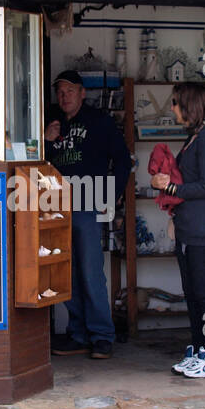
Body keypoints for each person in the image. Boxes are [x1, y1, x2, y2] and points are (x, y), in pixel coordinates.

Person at [45, 69, 132, 360]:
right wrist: (46, 140)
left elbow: (122, 158)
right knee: (64, 272)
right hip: (54, 205)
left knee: (91, 272)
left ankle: (102, 335)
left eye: (70, 90)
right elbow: (32, 157)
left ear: (83, 93)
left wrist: (115, 192)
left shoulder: (99, 121)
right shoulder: (50, 120)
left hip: (88, 201)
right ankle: (78, 334)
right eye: (60, 91)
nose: (64, 96)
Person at [151, 82, 205, 378]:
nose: (172, 108)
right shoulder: (196, 136)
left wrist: (170, 186)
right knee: (193, 293)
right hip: (188, 229)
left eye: (175, 102)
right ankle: (198, 349)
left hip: (203, 231)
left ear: (190, 104)